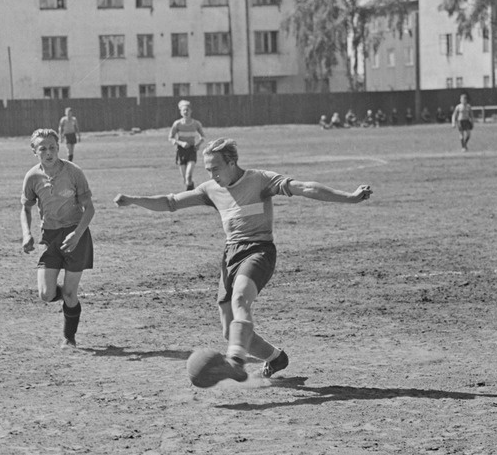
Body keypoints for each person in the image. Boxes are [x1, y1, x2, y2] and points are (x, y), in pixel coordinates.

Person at [113, 138, 373, 387]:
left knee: (240, 300)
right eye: (208, 169)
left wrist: (350, 197)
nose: (212, 174)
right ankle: (275, 357)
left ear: (231, 163)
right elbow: (171, 202)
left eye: (216, 168)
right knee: (230, 332)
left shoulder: (260, 180)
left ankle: (236, 363)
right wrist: (134, 200)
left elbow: (304, 188)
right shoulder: (210, 190)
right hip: (230, 255)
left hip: (259, 251)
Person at [21, 129, 95, 348]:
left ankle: (69, 338)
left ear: (58, 147)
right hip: (50, 237)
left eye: (52, 147)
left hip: (76, 235)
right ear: (34, 151)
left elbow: (90, 209)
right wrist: (26, 233)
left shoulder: (73, 172)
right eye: (43, 148)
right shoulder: (32, 177)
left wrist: (77, 234)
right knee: (46, 294)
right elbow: (25, 208)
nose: (49, 152)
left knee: (70, 293)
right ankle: (70, 298)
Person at [169, 99, 206, 191]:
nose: (185, 112)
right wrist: (181, 143)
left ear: (191, 111)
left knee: (188, 175)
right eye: (183, 110)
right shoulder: (177, 124)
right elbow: (171, 138)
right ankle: (191, 188)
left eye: (187, 110)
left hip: (191, 150)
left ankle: (190, 193)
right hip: (181, 151)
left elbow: (203, 136)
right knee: (185, 180)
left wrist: (198, 144)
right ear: (180, 112)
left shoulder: (196, 124)